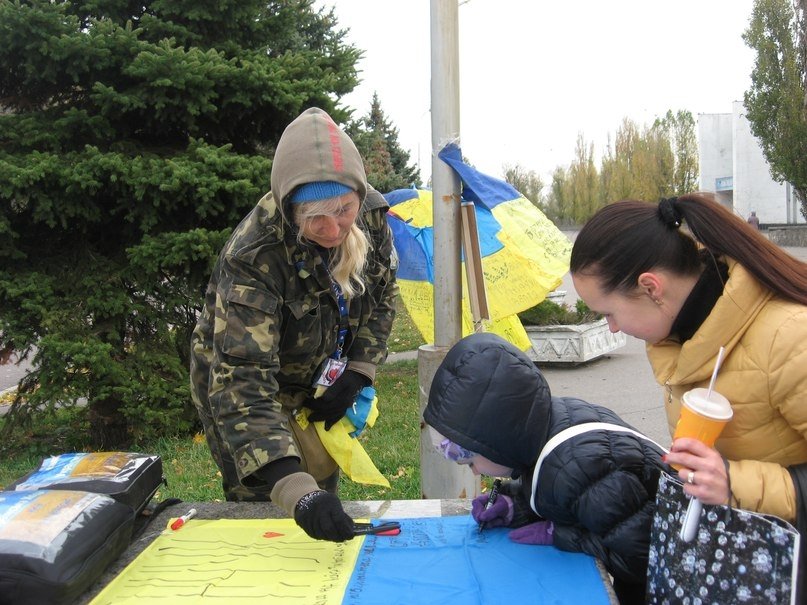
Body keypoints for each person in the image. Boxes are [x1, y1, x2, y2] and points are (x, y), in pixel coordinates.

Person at [569, 193, 807, 584]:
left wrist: (735, 482)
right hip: (739, 561)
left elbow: (736, 476)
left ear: (651, 287)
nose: (611, 327)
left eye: (608, 312)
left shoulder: (789, 337)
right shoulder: (681, 341)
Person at [189, 107, 399, 542]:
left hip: (318, 376)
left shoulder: (373, 217)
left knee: (324, 501)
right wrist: (295, 490)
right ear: (290, 209)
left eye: (343, 210)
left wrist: (360, 369)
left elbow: (382, 297)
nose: (333, 228)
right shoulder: (255, 255)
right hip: (244, 388)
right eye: (313, 216)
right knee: (267, 513)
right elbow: (242, 381)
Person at [424, 332, 667, 605]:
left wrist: (559, 535)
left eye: (470, 461)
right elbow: (568, 500)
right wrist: (515, 506)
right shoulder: (544, 427)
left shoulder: (578, 469)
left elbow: (642, 556)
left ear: (499, 442)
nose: (475, 472)